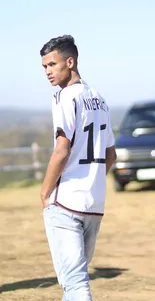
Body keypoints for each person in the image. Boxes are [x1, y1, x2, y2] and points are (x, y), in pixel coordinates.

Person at [40, 35, 116, 301]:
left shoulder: (64, 97)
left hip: (67, 204)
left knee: (75, 284)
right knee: (74, 282)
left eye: (52, 64)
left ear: (69, 62)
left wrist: (45, 193)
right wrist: (91, 179)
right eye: (44, 67)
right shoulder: (100, 99)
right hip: (93, 206)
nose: (48, 71)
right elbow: (111, 154)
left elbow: (62, 150)